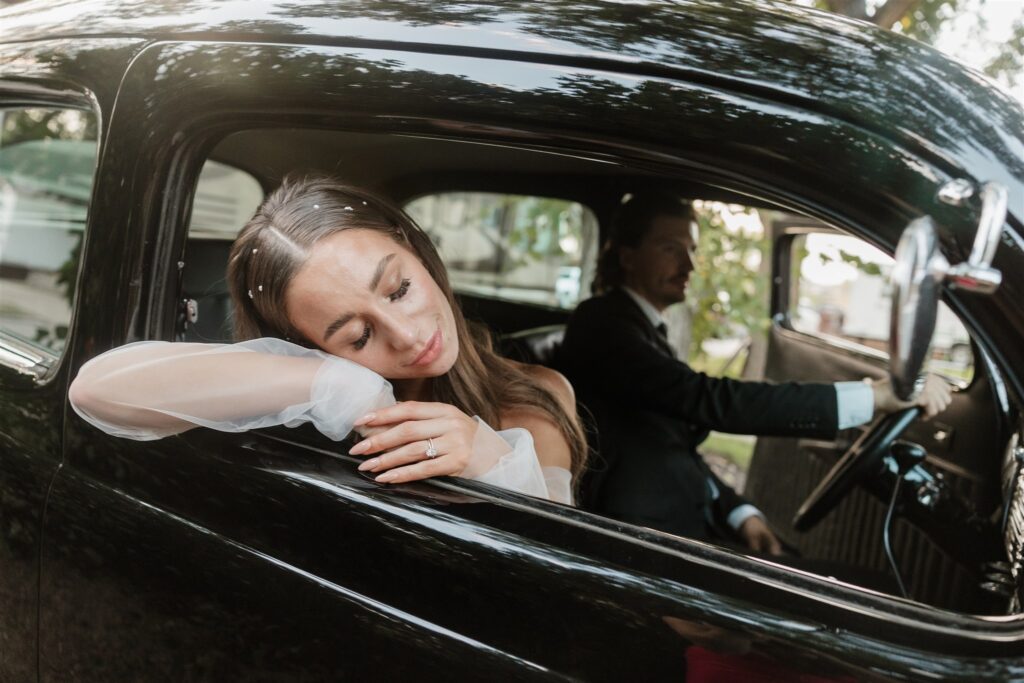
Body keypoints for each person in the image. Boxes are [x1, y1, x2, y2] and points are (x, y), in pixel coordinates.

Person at [69, 175, 586, 505]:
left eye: (399, 288)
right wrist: (333, 381)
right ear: (310, 344)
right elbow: (95, 392)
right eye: (358, 337)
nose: (408, 336)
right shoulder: (321, 406)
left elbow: (560, 572)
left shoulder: (535, 393)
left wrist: (492, 462)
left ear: (415, 248)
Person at [558, 192, 951, 550]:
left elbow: (674, 441)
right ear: (628, 256)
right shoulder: (603, 325)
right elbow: (708, 401)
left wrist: (740, 512)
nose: (689, 264)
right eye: (670, 248)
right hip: (648, 536)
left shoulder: (640, 326)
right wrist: (875, 396)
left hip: (692, 514)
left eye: (692, 250)